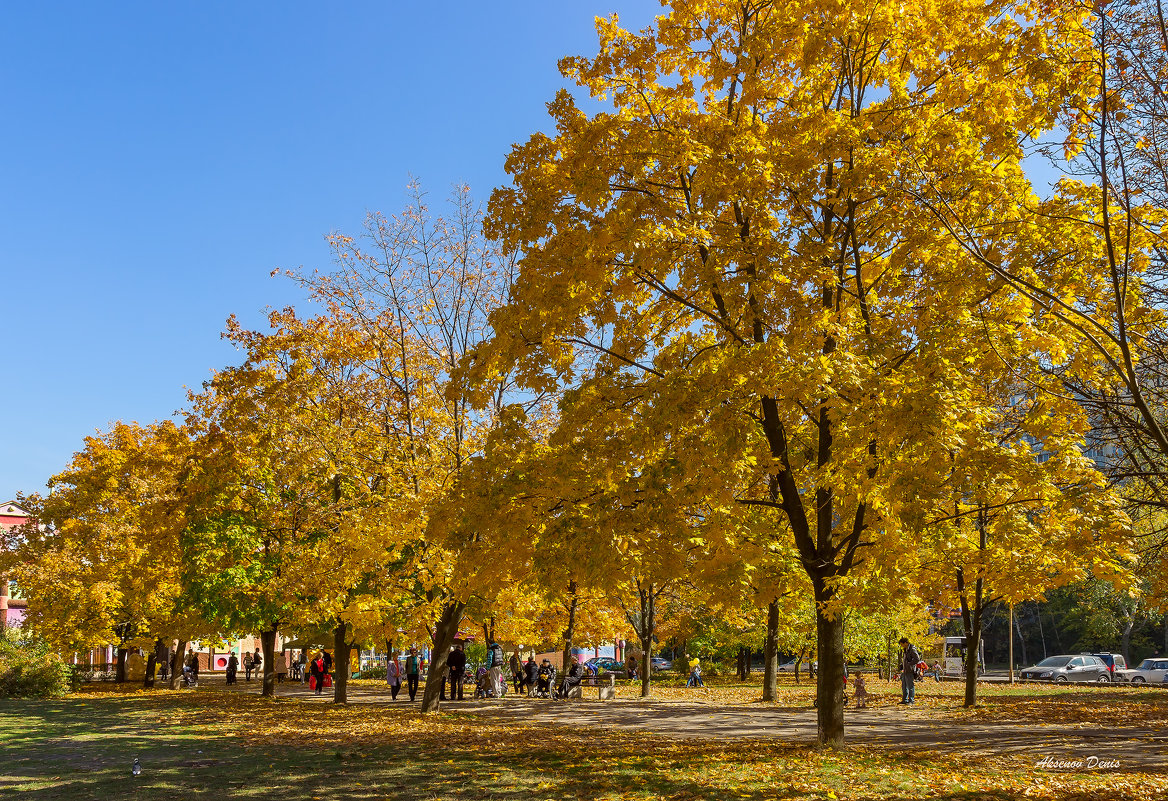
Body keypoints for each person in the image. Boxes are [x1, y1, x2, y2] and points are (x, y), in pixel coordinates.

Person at [899, 637, 920, 705]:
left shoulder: (912, 649)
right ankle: (905, 700)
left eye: (902, 644)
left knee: (910, 686)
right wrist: (903, 665)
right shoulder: (905, 649)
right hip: (905, 670)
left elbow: (917, 659)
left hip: (910, 670)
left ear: (906, 643)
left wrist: (909, 664)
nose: (901, 646)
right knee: (904, 686)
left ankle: (911, 700)